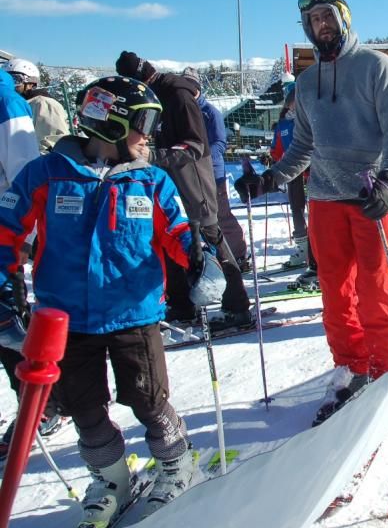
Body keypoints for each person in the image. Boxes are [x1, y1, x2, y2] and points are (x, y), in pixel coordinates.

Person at [0, 76, 202, 528]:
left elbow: (176, 230)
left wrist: (195, 254)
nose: (148, 134)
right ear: (109, 122)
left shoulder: (151, 180)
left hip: (135, 312)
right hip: (66, 319)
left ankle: (175, 462)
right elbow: (6, 227)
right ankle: (110, 477)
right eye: (143, 122)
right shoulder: (47, 174)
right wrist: (4, 281)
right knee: (83, 406)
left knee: (148, 399)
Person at [235, 0, 388, 426]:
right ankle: (352, 368)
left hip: (370, 197)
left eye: (327, 17)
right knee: (335, 295)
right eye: (313, 21)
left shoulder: (376, 66)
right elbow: (304, 145)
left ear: (343, 18)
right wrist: (272, 177)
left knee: (377, 292)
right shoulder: (307, 83)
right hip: (325, 201)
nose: (321, 26)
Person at [116, 51, 252, 329]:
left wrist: (153, 156)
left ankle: (237, 306)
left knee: (211, 238)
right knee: (169, 238)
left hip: (194, 181)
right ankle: (181, 304)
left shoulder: (177, 95)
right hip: (169, 181)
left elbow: (195, 145)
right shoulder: (156, 98)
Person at [0, 67, 50, 457]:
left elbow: (24, 173)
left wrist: (28, 237)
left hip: (5, 232)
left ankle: (42, 404)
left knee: (9, 325)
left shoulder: (7, 102)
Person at [182, 67, 249, 273]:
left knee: (221, 215)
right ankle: (210, 256)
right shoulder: (183, 110)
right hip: (191, 174)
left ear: (198, 89)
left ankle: (238, 255)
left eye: (190, 88)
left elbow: (220, 143)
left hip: (213, 173)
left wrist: (202, 157)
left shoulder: (210, 112)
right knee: (198, 218)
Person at [270, 75, 314, 282]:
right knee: (296, 208)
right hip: (291, 173)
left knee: (315, 210)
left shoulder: (306, 120)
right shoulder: (282, 124)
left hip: (311, 172)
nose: (295, 107)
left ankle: (315, 249)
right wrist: (273, 160)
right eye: (292, 103)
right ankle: (302, 247)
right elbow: (277, 149)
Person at [5, 58, 69, 153]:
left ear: (31, 83)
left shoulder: (44, 104)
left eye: (15, 80)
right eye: (4, 81)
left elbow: (53, 142)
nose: (9, 86)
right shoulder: (11, 104)